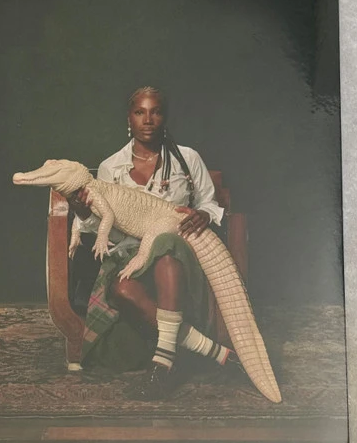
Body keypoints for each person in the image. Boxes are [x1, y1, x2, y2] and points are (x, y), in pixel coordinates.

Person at [68, 86, 241, 400]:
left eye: (155, 112)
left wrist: (203, 214)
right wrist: (82, 212)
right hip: (131, 255)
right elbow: (108, 231)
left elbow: (209, 203)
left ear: (165, 117)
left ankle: (162, 367)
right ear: (129, 119)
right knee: (122, 289)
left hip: (182, 256)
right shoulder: (111, 167)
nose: (147, 119)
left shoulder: (187, 159)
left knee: (166, 247)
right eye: (139, 112)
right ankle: (215, 353)